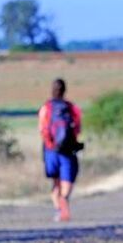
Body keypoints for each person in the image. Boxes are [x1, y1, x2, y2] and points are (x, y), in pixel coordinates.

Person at [38, 78, 83, 222]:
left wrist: (50, 142)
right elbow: (78, 128)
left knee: (55, 181)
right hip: (68, 149)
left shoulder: (46, 107)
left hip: (50, 149)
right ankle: (64, 200)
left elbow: (42, 128)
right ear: (65, 90)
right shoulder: (71, 108)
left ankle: (59, 209)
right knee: (67, 180)